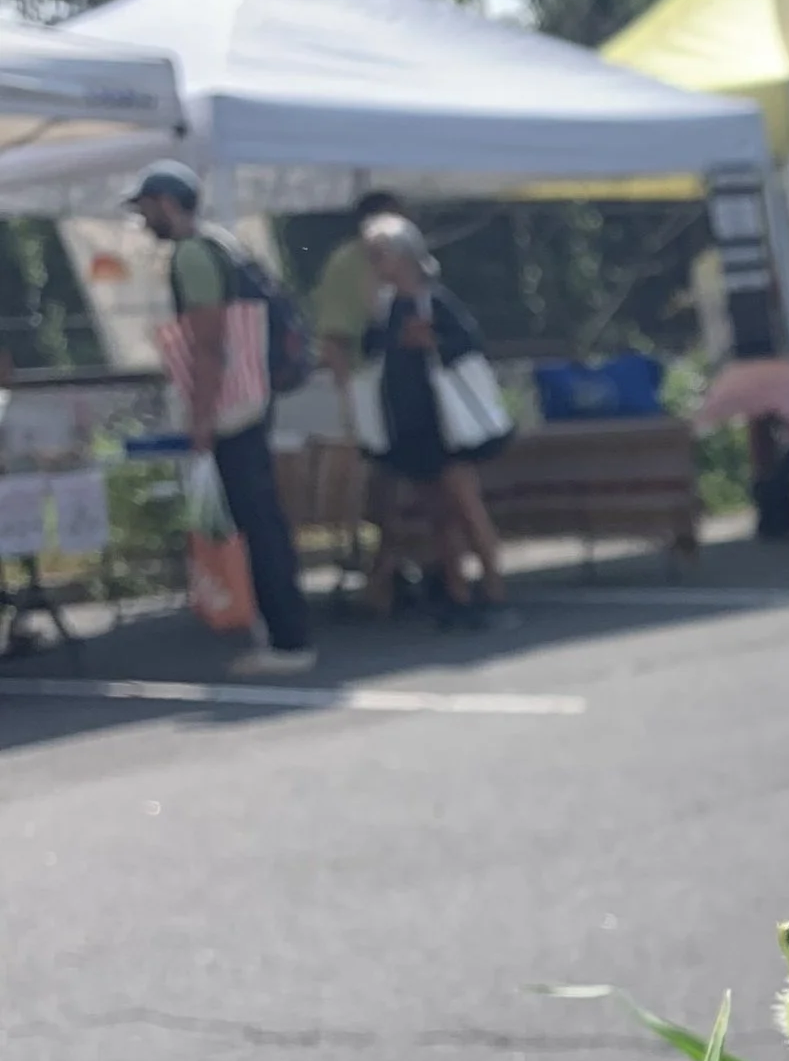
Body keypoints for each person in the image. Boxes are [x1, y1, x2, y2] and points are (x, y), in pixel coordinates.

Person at [129, 158, 314, 675]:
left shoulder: (191, 255)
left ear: (166, 203)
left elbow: (209, 344)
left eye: (145, 206)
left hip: (233, 403)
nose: (143, 218)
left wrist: (201, 417)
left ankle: (286, 639)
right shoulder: (224, 245)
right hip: (257, 394)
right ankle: (284, 631)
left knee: (254, 520)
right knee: (262, 517)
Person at [361, 213, 513, 629]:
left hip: (447, 423)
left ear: (404, 255)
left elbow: (468, 346)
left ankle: (495, 590)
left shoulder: (437, 300)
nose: (374, 263)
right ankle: (457, 590)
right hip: (409, 425)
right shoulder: (385, 309)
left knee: (466, 506)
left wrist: (433, 342)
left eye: (380, 254)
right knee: (436, 514)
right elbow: (371, 353)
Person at [314, 188, 401, 385]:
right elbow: (334, 334)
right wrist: (346, 392)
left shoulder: (409, 260)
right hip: (366, 375)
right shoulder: (346, 263)